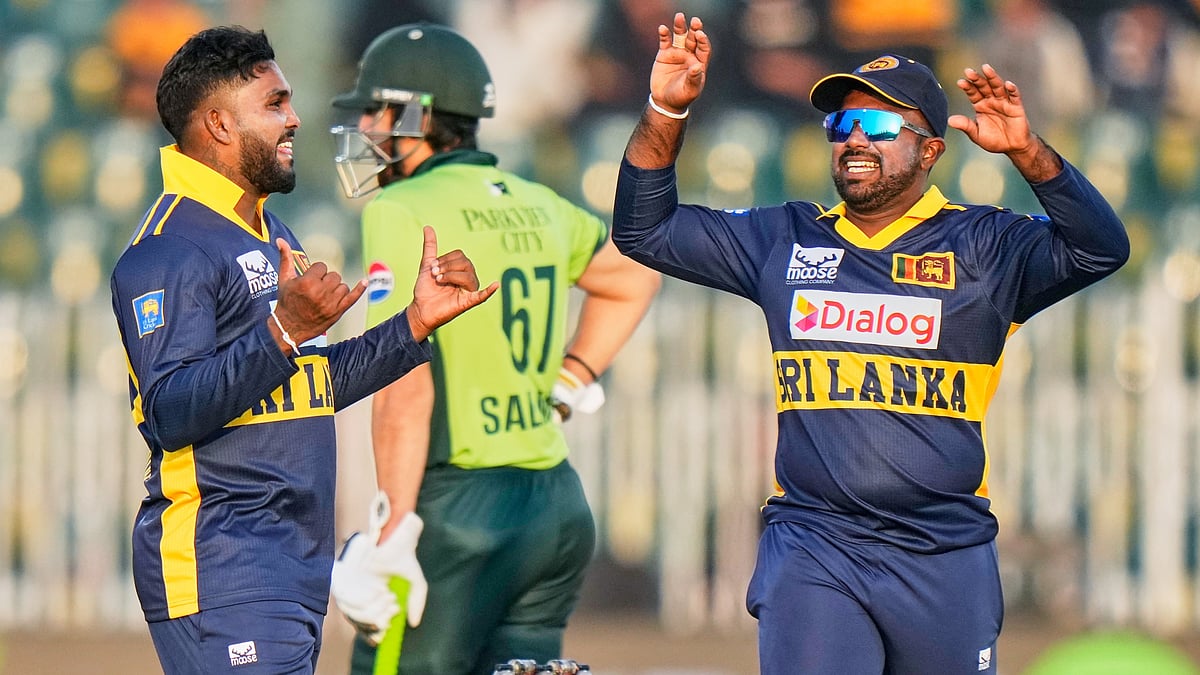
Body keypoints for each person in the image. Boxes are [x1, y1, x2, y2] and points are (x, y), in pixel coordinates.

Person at [611, 12, 1129, 675]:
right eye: (841, 124)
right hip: (816, 544)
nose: (854, 138)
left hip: (943, 555)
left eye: (880, 126)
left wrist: (1030, 154)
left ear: (932, 149)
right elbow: (643, 232)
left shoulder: (986, 247)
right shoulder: (785, 238)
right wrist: (665, 108)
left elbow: (1101, 248)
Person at [109, 26, 496, 675]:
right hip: (223, 565)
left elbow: (308, 383)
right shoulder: (167, 249)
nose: (295, 119)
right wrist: (283, 330)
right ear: (219, 126)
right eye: (275, 104)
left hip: (287, 564)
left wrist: (412, 325)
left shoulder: (267, 229)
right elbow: (169, 412)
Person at [326, 22, 661, 675]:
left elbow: (404, 376)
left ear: (417, 114)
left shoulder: (401, 207)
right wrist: (571, 378)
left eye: (375, 107)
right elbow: (633, 277)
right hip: (555, 505)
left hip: (459, 507)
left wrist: (393, 525)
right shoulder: (537, 201)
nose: (365, 123)